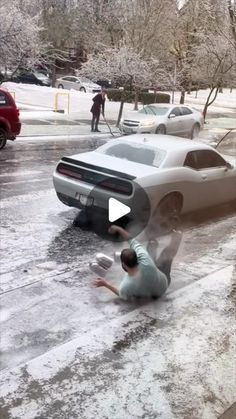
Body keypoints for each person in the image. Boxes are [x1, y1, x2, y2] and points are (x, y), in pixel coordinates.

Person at [93, 225, 182, 300]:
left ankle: (153, 244)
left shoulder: (127, 285)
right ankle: (168, 239)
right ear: (137, 258)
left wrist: (105, 284)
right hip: (162, 284)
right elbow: (131, 239)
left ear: (123, 264)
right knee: (166, 256)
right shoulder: (144, 258)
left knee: (156, 258)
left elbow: (120, 293)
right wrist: (118, 229)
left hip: (154, 295)